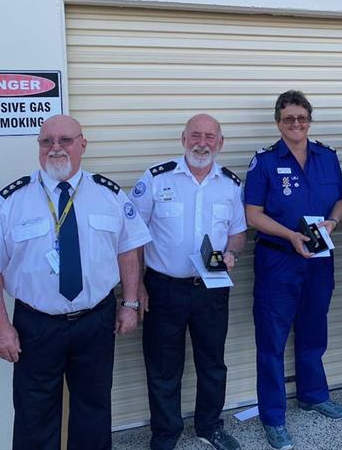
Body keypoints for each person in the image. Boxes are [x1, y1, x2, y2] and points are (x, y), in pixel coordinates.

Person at [0, 114, 150, 450]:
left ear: (82, 145)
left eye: (65, 140)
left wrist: (130, 303)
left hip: (96, 320)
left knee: (94, 407)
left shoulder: (110, 195)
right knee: (34, 414)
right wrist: (0, 326)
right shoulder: (11, 200)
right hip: (36, 325)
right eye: (47, 141)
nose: (56, 148)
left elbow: (128, 252)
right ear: (39, 147)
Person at [131, 114, 247, 450]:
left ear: (220, 143)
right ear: (183, 139)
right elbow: (133, 236)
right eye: (195, 135)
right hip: (164, 288)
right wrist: (136, 287)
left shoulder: (230, 184)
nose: (202, 143)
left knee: (212, 363)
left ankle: (209, 426)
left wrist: (232, 254)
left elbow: (238, 233)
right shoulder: (156, 178)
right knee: (164, 367)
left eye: (210, 137)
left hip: (211, 289)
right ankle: (165, 434)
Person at [244, 90, 342, 450]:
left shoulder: (326, 157)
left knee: (313, 329)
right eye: (289, 118)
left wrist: (333, 222)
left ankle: (314, 394)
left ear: (309, 120)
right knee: (271, 341)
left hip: (320, 257)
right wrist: (290, 236)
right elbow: (252, 215)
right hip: (278, 261)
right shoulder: (265, 162)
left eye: (302, 118)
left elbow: (341, 199)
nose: (296, 124)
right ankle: (273, 417)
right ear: (278, 122)